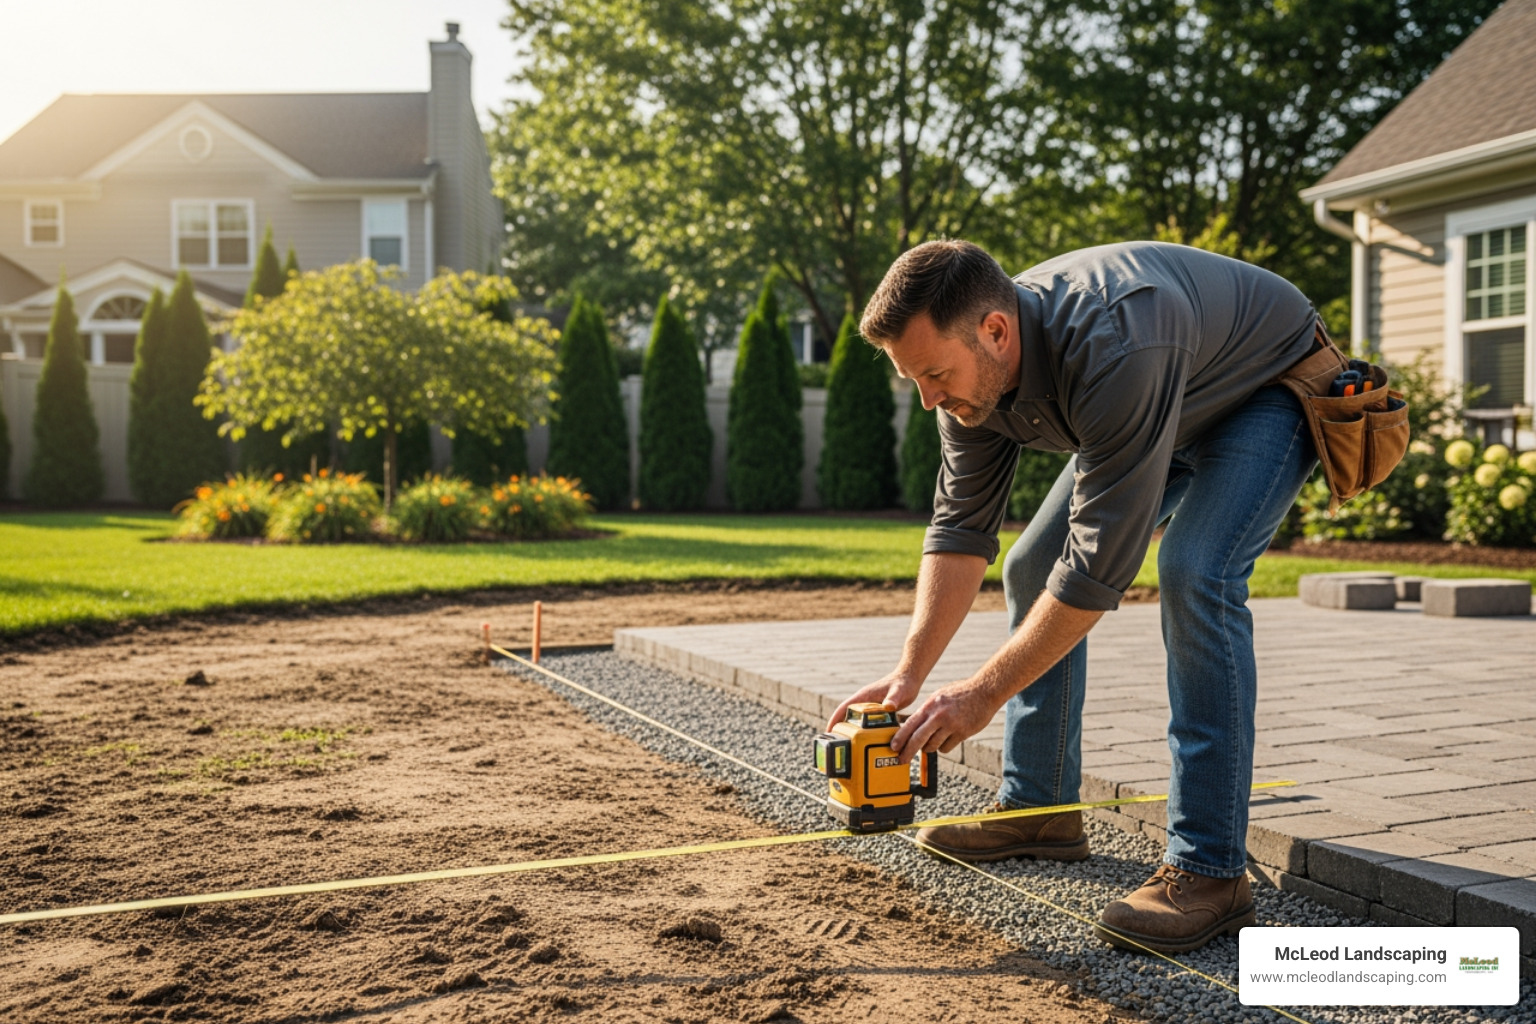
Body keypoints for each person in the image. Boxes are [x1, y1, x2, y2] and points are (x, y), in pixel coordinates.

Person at [829, 239, 1321, 955]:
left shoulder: (1115, 341)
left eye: (935, 375)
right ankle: (1041, 809)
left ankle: (1210, 870)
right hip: (1163, 400)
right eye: (915, 381)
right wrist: (911, 674)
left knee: (1197, 571)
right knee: (1032, 566)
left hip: (1264, 388)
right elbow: (962, 529)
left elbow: (1096, 572)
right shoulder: (970, 380)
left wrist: (982, 693)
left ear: (996, 331)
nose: (930, 398)